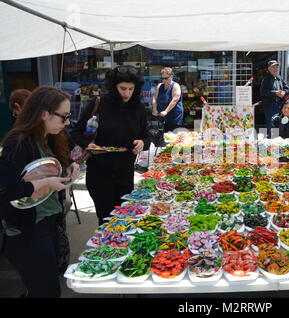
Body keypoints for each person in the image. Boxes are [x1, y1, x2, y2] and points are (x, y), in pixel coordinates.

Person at [0, 86, 80, 298]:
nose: (67, 122)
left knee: (47, 285)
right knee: (47, 291)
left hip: (48, 221)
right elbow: (5, 190)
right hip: (27, 230)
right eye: (64, 117)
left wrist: (71, 167)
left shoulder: (51, 137)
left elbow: (56, 165)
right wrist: (44, 184)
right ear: (44, 113)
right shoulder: (17, 143)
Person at [71, 65, 150, 225]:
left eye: (131, 89)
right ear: (114, 86)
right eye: (123, 88)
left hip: (125, 174)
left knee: (123, 219)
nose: (127, 93)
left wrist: (142, 143)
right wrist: (89, 146)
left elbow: (146, 137)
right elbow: (76, 132)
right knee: (106, 220)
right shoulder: (99, 103)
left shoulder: (139, 108)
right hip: (99, 174)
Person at [260, 60, 289, 138]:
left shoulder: (279, 78)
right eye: (273, 67)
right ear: (269, 69)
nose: (275, 69)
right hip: (270, 106)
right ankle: (271, 143)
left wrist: (284, 92)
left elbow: (287, 88)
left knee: (279, 124)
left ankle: (277, 141)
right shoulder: (266, 79)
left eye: (276, 67)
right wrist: (275, 92)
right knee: (271, 125)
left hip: (280, 105)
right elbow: (262, 92)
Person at [152, 67, 184, 132]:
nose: (164, 80)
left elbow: (175, 99)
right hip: (163, 115)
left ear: (171, 76)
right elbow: (154, 98)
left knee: (174, 135)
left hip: (174, 115)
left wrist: (166, 111)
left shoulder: (175, 86)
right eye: (162, 78)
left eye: (166, 78)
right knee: (165, 134)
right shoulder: (160, 86)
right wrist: (154, 109)